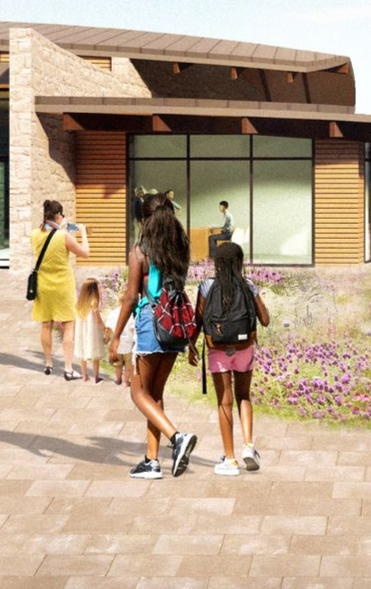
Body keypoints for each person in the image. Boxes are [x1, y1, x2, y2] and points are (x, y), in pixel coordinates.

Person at [109, 193, 198, 480]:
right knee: (155, 395)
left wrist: (115, 336)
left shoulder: (140, 251)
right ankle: (151, 461)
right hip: (174, 325)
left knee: (138, 392)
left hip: (150, 322)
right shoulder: (180, 249)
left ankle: (177, 438)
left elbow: (131, 297)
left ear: (144, 220)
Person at [195, 242, 270, 476]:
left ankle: (230, 460)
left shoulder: (207, 286)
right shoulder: (249, 286)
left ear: (217, 263)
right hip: (244, 347)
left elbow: (199, 319)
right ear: (240, 262)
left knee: (224, 402)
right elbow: (265, 320)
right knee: (243, 396)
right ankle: (248, 445)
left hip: (218, 349)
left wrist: (190, 346)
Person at [30, 200, 90, 379]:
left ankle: (48, 364)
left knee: (46, 324)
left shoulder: (34, 234)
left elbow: (45, 233)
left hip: (43, 286)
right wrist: (83, 232)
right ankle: (68, 368)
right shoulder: (64, 236)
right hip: (63, 286)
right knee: (68, 325)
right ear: (58, 216)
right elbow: (85, 253)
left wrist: (59, 227)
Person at [74, 277, 106, 384]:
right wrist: (104, 328)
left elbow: (75, 320)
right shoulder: (94, 302)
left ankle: (85, 376)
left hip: (81, 332)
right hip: (92, 331)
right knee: (95, 355)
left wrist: (74, 332)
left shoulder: (79, 303)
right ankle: (96, 377)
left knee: (82, 353)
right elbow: (97, 319)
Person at [105, 307, 134, 387]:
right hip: (128, 344)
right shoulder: (131, 314)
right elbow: (132, 329)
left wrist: (107, 338)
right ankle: (126, 382)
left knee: (118, 365)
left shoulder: (113, 313)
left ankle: (118, 380)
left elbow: (108, 328)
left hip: (116, 344)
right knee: (128, 366)